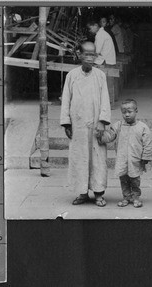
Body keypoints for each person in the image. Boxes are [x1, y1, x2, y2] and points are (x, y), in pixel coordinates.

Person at [60, 41, 111, 207]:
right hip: (79, 125)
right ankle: (82, 192)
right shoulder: (72, 76)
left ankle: (98, 193)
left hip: (96, 124)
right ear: (79, 55)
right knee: (79, 157)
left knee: (97, 158)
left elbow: (105, 100)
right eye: (86, 54)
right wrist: (67, 123)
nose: (90, 58)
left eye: (93, 54)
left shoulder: (100, 76)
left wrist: (102, 122)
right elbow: (66, 100)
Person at [98, 99, 152, 208]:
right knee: (123, 180)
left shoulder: (142, 127)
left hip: (135, 160)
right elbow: (110, 136)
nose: (127, 114)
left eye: (129, 111)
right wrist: (100, 135)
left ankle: (136, 197)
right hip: (122, 160)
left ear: (136, 111)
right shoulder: (118, 125)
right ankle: (126, 197)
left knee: (135, 180)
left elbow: (148, 143)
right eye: (124, 112)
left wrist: (146, 156)